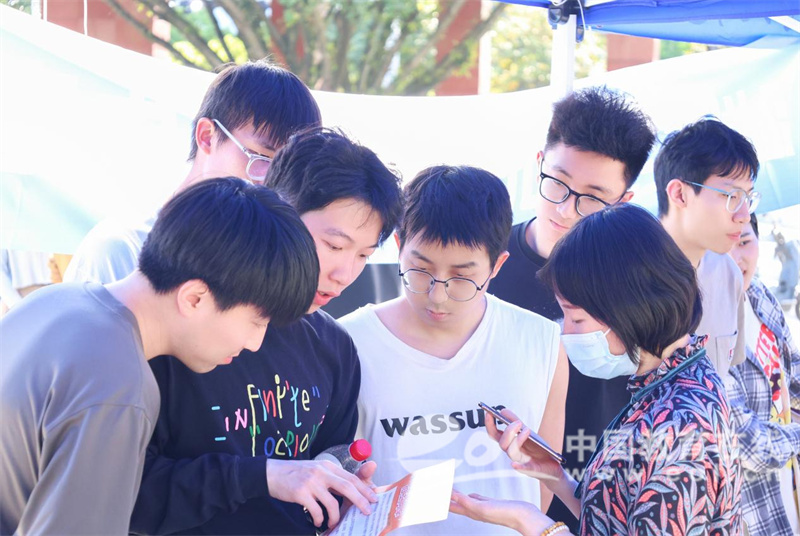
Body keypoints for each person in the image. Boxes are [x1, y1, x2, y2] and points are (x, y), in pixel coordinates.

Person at [0, 177, 319, 535]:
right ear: (194, 298)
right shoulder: (121, 386)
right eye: (257, 322)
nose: (255, 343)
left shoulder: (52, 301)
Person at [130, 128, 404, 535]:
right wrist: (261, 476)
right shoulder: (180, 328)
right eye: (333, 245)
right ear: (278, 210)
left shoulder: (335, 348)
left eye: (364, 255)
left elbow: (325, 468)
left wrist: (338, 491)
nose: (345, 274)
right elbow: (126, 492)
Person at [450, 203, 742, 536]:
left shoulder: (679, 427)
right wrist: (555, 477)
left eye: (576, 318)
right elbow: (620, 518)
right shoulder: (671, 384)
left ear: (628, 307)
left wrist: (529, 520)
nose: (566, 332)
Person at [341, 165, 569, 535]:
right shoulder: (347, 342)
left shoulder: (541, 341)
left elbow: (544, 481)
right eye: (420, 270)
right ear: (398, 246)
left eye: (462, 277)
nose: (437, 295)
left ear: (497, 265)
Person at [488, 86, 656, 528]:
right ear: (539, 163)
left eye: (592, 197)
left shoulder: (641, 282)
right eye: (557, 183)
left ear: (623, 203)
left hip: (604, 510)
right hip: (495, 502)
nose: (565, 209)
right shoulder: (483, 265)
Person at [63, 58, 322, 284]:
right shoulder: (121, 251)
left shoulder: (275, 267)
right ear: (207, 136)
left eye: (289, 167)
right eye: (262, 157)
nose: (270, 179)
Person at [656, 116, 759, 380]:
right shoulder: (625, 276)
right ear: (679, 194)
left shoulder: (729, 274)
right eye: (731, 196)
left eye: (747, 197)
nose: (744, 215)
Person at [728, 213, 800, 536]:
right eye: (724, 246)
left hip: (788, 487)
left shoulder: (758, 294)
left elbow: (792, 373)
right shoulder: (703, 326)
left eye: (744, 241)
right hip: (752, 513)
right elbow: (750, 446)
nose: (736, 258)